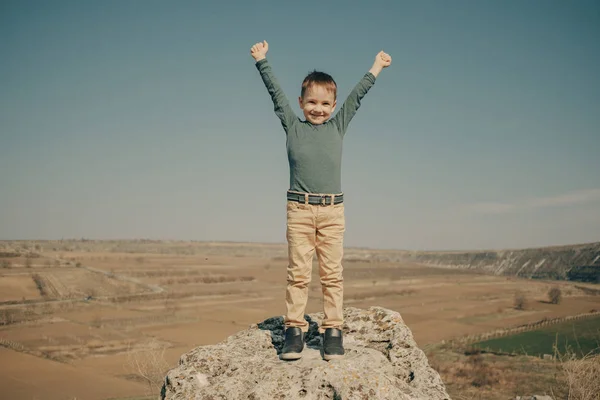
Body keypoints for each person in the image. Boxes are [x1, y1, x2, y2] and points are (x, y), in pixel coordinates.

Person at [250, 40, 391, 361]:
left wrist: (376, 67)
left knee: (332, 274)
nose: (318, 108)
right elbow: (275, 93)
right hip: (298, 210)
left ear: (333, 104)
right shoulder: (292, 126)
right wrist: (262, 61)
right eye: (311, 102)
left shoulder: (338, 126)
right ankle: (294, 332)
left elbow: (358, 96)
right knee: (298, 274)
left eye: (325, 103)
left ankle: (332, 332)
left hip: (332, 212)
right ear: (300, 103)